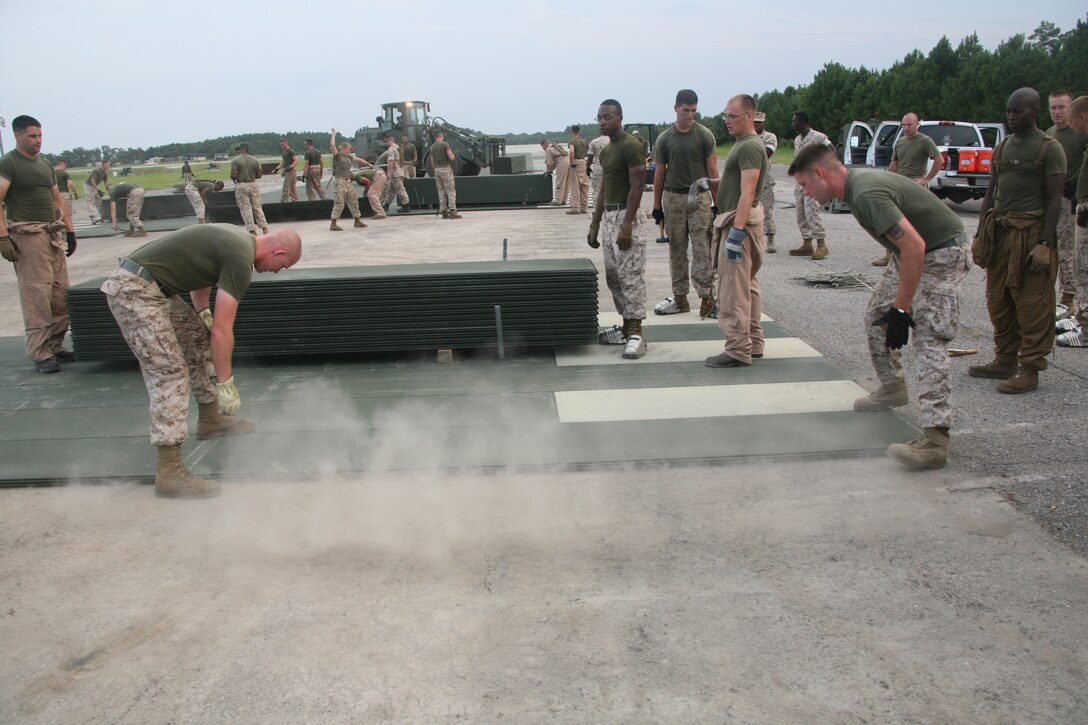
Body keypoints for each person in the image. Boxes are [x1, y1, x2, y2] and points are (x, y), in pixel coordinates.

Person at [789, 143, 970, 469]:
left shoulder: (865, 193)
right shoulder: (855, 189)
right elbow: (907, 246)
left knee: (928, 340)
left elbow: (915, 245)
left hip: (941, 253)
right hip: (913, 253)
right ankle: (892, 386)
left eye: (804, 185)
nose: (804, 193)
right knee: (877, 316)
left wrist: (902, 310)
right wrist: (894, 308)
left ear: (819, 173)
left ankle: (935, 440)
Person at [99, 225, 302, 498]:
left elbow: (200, 274)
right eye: (283, 265)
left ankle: (210, 420)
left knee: (197, 339)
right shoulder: (241, 259)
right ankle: (169, 471)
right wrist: (226, 383)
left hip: (156, 289)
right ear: (279, 251)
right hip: (135, 291)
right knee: (169, 372)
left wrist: (202, 312)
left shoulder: (238, 240)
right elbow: (222, 330)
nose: (278, 271)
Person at [968, 87, 1066, 393]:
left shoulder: (1049, 149)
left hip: (1031, 236)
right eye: (1009, 111)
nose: (1011, 116)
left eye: (1018, 111)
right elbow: (990, 193)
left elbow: (1054, 201)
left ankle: (1030, 369)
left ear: (1035, 111)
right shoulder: (1003, 147)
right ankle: (1005, 359)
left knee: (1032, 304)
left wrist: (1045, 243)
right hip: (1000, 235)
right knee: (999, 301)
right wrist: (980, 232)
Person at [0, 115, 78, 374]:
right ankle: (40, 351)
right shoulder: (9, 163)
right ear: (18, 136)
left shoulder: (45, 164)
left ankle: (55, 345)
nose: (38, 141)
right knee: (37, 295)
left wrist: (69, 230)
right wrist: (2, 237)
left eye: (40, 135)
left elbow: (58, 199)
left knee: (59, 294)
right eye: (32, 136)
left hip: (50, 234)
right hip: (27, 235)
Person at [705, 94, 768, 369]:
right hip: (738, 220)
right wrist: (711, 181)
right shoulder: (744, 145)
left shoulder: (750, 147)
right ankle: (753, 342)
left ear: (750, 116)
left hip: (737, 222)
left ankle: (737, 348)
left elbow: (749, 191)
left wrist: (736, 232)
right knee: (748, 286)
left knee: (733, 290)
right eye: (726, 116)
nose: (727, 121)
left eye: (733, 116)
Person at [588, 99, 648, 360]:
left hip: (627, 215)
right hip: (610, 216)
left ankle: (636, 331)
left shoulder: (630, 146)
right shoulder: (607, 149)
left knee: (630, 275)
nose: (602, 121)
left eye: (607, 117)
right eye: (599, 117)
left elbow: (637, 187)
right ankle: (625, 325)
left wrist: (626, 226)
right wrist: (595, 221)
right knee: (613, 276)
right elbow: (603, 187)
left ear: (620, 117)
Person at [651, 89, 719, 318]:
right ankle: (680, 298)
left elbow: (713, 172)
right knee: (677, 249)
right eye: (685, 110)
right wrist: (657, 206)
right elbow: (659, 174)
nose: (689, 115)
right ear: (676, 108)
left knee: (702, 249)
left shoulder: (704, 135)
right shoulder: (665, 138)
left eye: (693, 110)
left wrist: (717, 204)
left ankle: (707, 298)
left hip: (699, 197)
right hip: (673, 198)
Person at [871, 112, 943, 267]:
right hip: (899, 184)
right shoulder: (900, 142)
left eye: (909, 124)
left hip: (915, 185)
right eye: (903, 125)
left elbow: (939, 160)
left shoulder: (925, 141)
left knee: (916, 222)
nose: (906, 128)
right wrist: (887, 181)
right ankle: (890, 256)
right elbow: (894, 164)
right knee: (892, 220)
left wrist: (926, 179)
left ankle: (920, 255)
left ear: (917, 124)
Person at [1046, 90, 1087, 318]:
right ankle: (1052, 297)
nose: (1058, 112)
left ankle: (1068, 299)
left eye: (1062, 107)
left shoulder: (1080, 133)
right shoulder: (1050, 134)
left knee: (1069, 251)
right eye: (1053, 107)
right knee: (1049, 248)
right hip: (1052, 199)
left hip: (1073, 200)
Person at [1055, 94, 1088, 347]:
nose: (1072, 126)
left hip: (1081, 207)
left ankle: (1084, 324)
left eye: (1064, 109)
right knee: (1076, 260)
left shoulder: (1082, 137)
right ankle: (1080, 315)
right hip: (1076, 205)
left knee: (1082, 264)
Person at [789, 111, 833, 259]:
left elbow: (831, 152)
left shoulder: (818, 137)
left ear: (803, 122)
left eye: (795, 121)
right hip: (800, 182)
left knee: (811, 212)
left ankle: (821, 245)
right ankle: (807, 243)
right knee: (800, 212)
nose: (793, 124)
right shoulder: (797, 140)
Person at [328, 129, 368, 231]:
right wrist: (333, 134)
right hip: (339, 182)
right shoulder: (338, 156)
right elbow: (332, 145)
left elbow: (358, 159)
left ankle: (357, 220)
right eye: (348, 149)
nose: (349, 151)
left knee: (353, 200)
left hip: (347, 181)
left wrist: (368, 164)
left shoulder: (348, 157)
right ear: (343, 149)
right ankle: (333, 223)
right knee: (339, 202)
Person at [230, 143, 269, 236]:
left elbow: (233, 175)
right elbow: (259, 175)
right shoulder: (255, 160)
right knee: (257, 207)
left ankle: (252, 230)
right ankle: (265, 228)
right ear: (248, 149)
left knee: (245, 208)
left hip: (241, 184)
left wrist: (237, 177)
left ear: (240, 149)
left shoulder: (235, 160)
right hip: (253, 184)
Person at [753, 112, 779, 253]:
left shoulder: (769, 137)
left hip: (765, 180)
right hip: (749, 180)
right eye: (754, 122)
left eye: (759, 122)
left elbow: (767, 153)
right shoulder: (746, 135)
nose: (756, 125)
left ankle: (770, 238)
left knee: (767, 210)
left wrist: (751, 150)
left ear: (764, 123)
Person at [430, 129, 461, 219]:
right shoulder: (445, 144)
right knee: (450, 190)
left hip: (437, 170)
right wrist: (453, 153)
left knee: (441, 191)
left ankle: (444, 212)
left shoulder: (432, 147)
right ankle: (452, 212)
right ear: (441, 136)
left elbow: (432, 162)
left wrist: (436, 170)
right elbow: (451, 157)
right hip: (446, 169)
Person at [378, 133, 410, 213]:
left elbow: (390, 162)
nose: (386, 143)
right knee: (391, 190)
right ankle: (386, 206)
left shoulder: (391, 149)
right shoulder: (399, 148)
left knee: (400, 189)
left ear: (389, 140)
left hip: (395, 173)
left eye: (386, 141)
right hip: (399, 171)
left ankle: (406, 205)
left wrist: (388, 173)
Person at [566, 125, 590, 214]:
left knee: (575, 186)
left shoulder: (572, 141)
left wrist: (571, 162)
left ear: (572, 132)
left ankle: (575, 208)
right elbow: (590, 151)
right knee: (584, 186)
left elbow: (572, 152)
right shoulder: (584, 142)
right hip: (583, 162)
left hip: (575, 163)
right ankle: (584, 207)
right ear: (579, 131)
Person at [541, 139, 571, 206]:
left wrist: (549, 171)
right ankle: (563, 200)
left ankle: (558, 200)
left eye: (542, 147)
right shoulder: (556, 146)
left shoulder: (548, 149)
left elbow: (549, 163)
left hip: (562, 162)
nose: (543, 149)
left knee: (560, 182)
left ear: (544, 144)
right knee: (566, 182)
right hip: (568, 161)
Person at [84, 158, 111, 225]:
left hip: (94, 187)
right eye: (108, 165)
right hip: (89, 187)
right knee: (90, 202)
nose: (109, 166)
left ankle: (102, 216)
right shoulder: (96, 171)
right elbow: (92, 181)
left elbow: (106, 182)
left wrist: (109, 190)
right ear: (103, 164)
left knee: (99, 202)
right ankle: (93, 218)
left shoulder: (104, 173)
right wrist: (98, 190)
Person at [586, 133, 610, 203]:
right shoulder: (614, 141)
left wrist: (587, 167)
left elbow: (590, 157)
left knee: (597, 190)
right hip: (612, 168)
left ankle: (597, 210)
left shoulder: (594, 142)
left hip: (598, 168)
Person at [278, 138, 299, 202]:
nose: (281, 146)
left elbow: (296, 159)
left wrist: (291, 166)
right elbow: (283, 161)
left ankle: (283, 201)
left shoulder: (290, 151)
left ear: (286, 143)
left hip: (291, 171)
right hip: (287, 170)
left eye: (282, 144)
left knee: (286, 187)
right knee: (292, 188)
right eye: (280, 144)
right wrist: (277, 168)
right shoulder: (284, 151)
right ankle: (296, 200)